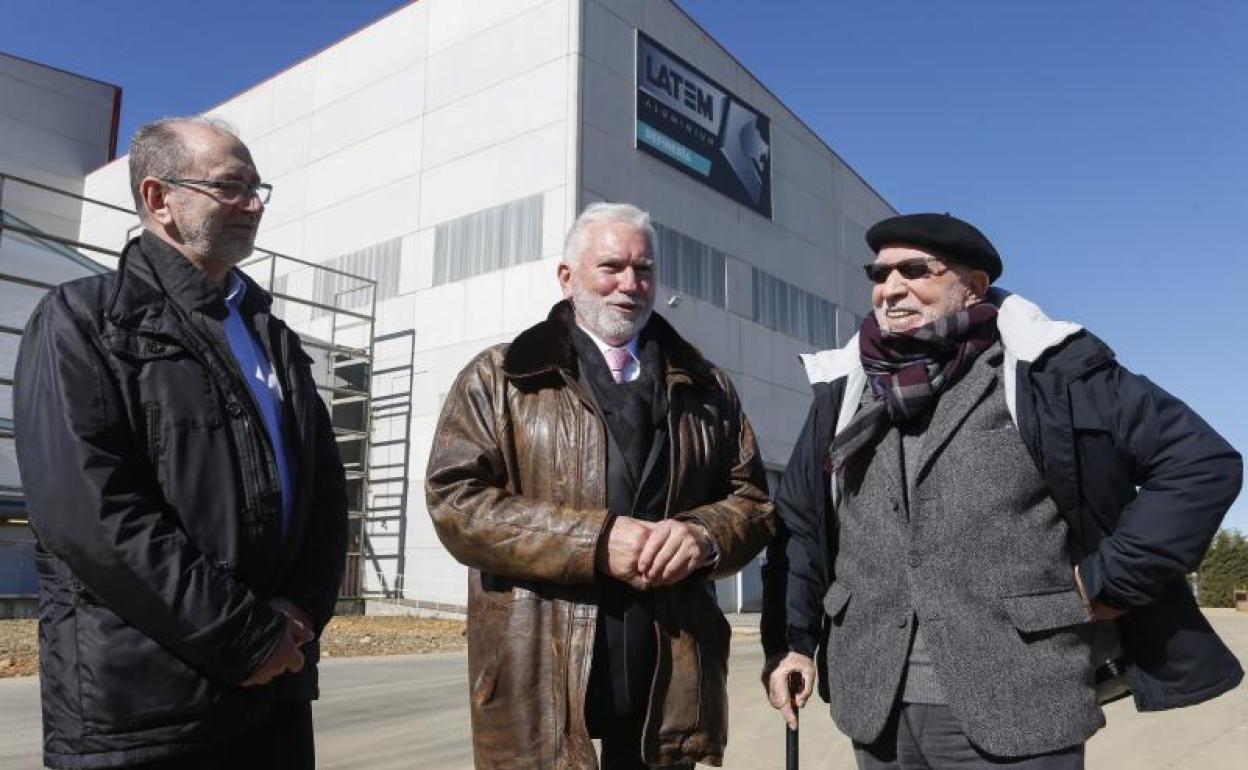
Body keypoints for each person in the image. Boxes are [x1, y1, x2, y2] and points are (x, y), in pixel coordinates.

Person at [760, 213, 1243, 769]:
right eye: (880, 273)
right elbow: (800, 524)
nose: (890, 289)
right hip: (877, 703)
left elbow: (1200, 463)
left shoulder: (1049, 371)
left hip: (1021, 701)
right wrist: (792, 641)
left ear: (974, 286)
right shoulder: (847, 388)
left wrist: (1116, 575)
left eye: (915, 270)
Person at [14, 117, 349, 769]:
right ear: (158, 198)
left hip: (273, 696)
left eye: (257, 188)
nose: (252, 205)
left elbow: (325, 496)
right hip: (142, 714)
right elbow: (91, 517)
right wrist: (246, 635)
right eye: (230, 186)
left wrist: (300, 614)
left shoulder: (274, 341)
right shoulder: (83, 322)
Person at [425, 202, 775, 769]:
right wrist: (594, 541)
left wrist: (702, 536)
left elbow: (754, 504)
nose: (630, 285)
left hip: (671, 684)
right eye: (611, 267)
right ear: (568, 277)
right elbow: (455, 500)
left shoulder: (707, 388)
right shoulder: (502, 376)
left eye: (644, 270)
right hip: (542, 678)